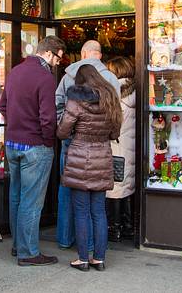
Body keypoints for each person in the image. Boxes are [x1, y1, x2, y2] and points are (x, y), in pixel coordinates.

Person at [0, 35, 66, 266]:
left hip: (12, 144)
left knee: (16, 196)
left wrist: (15, 124)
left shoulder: (15, 72)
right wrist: (48, 141)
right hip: (35, 146)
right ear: (49, 53)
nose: (58, 63)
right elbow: (48, 117)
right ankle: (28, 252)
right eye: (58, 58)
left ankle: (19, 246)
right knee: (31, 201)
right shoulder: (45, 77)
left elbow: (3, 105)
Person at [54, 40, 119, 250]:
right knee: (98, 208)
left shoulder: (68, 77)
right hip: (101, 149)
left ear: (83, 55)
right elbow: (117, 121)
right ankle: (96, 252)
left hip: (75, 146)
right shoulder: (111, 80)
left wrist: (67, 128)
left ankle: (67, 241)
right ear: (99, 56)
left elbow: (58, 107)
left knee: (69, 194)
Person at [105, 57, 136, 242]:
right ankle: (128, 225)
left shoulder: (115, 93)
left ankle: (114, 228)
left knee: (115, 188)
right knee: (127, 185)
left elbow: (111, 123)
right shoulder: (134, 92)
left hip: (116, 147)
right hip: (130, 147)